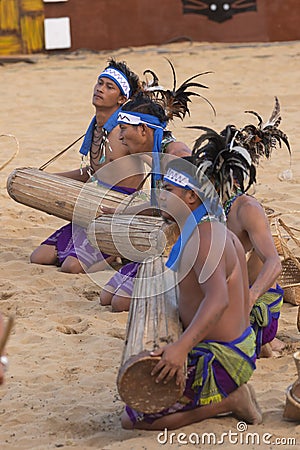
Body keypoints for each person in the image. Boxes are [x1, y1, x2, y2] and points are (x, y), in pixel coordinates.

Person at [120, 157, 261, 430]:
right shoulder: (204, 230)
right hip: (229, 346)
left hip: (222, 356)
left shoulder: (205, 238)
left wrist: (181, 348)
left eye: (168, 191)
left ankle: (229, 401)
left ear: (191, 196)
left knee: (133, 419)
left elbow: (219, 300)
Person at [192, 107, 290, 357]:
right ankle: (267, 345)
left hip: (253, 298)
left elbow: (274, 264)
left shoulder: (247, 209)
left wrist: (249, 298)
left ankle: (267, 343)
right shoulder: (207, 206)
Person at [30, 58, 142, 274]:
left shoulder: (126, 131)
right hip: (91, 208)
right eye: (99, 83)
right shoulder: (96, 129)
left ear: (121, 99)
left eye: (109, 87)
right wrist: (47, 177)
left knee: (71, 267)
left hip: (114, 213)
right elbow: (92, 173)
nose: (100, 89)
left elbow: (152, 160)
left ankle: (117, 254)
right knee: (39, 257)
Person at [99, 92, 192, 311]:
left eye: (123, 129)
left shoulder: (177, 155)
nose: (120, 137)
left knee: (120, 302)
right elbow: (162, 205)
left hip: (186, 248)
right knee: (107, 297)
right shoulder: (158, 155)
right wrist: (120, 212)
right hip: (164, 242)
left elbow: (194, 210)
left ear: (143, 130)